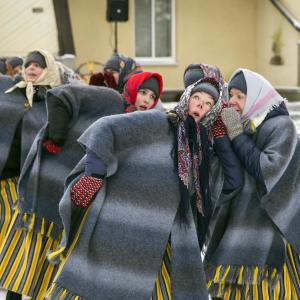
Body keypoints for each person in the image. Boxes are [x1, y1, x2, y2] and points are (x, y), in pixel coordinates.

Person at [45, 69, 225, 299]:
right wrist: (94, 175)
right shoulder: (159, 120)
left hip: (165, 235)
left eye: (208, 104)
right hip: (122, 222)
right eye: (196, 98)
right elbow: (104, 128)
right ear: (186, 98)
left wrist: (228, 129)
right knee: (101, 284)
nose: (200, 105)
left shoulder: (203, 148)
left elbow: (229, 174)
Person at [204, 68, 300, 299]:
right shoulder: (244, 125)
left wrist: (236, 134)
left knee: (272, 292)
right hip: (239, 224)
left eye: (240, 96)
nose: (233, 102)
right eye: (231, 95)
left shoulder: (282, 126)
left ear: (257, 96)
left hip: (274, 227)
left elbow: (265, 170)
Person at [0, 49, 69, 300]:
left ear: (48, 70)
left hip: (33, 184)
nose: (31, 68)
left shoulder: (56, 100)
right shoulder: (10, 94)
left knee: (21, 244)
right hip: (4, 180)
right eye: (28, 64)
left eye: (38, 65)